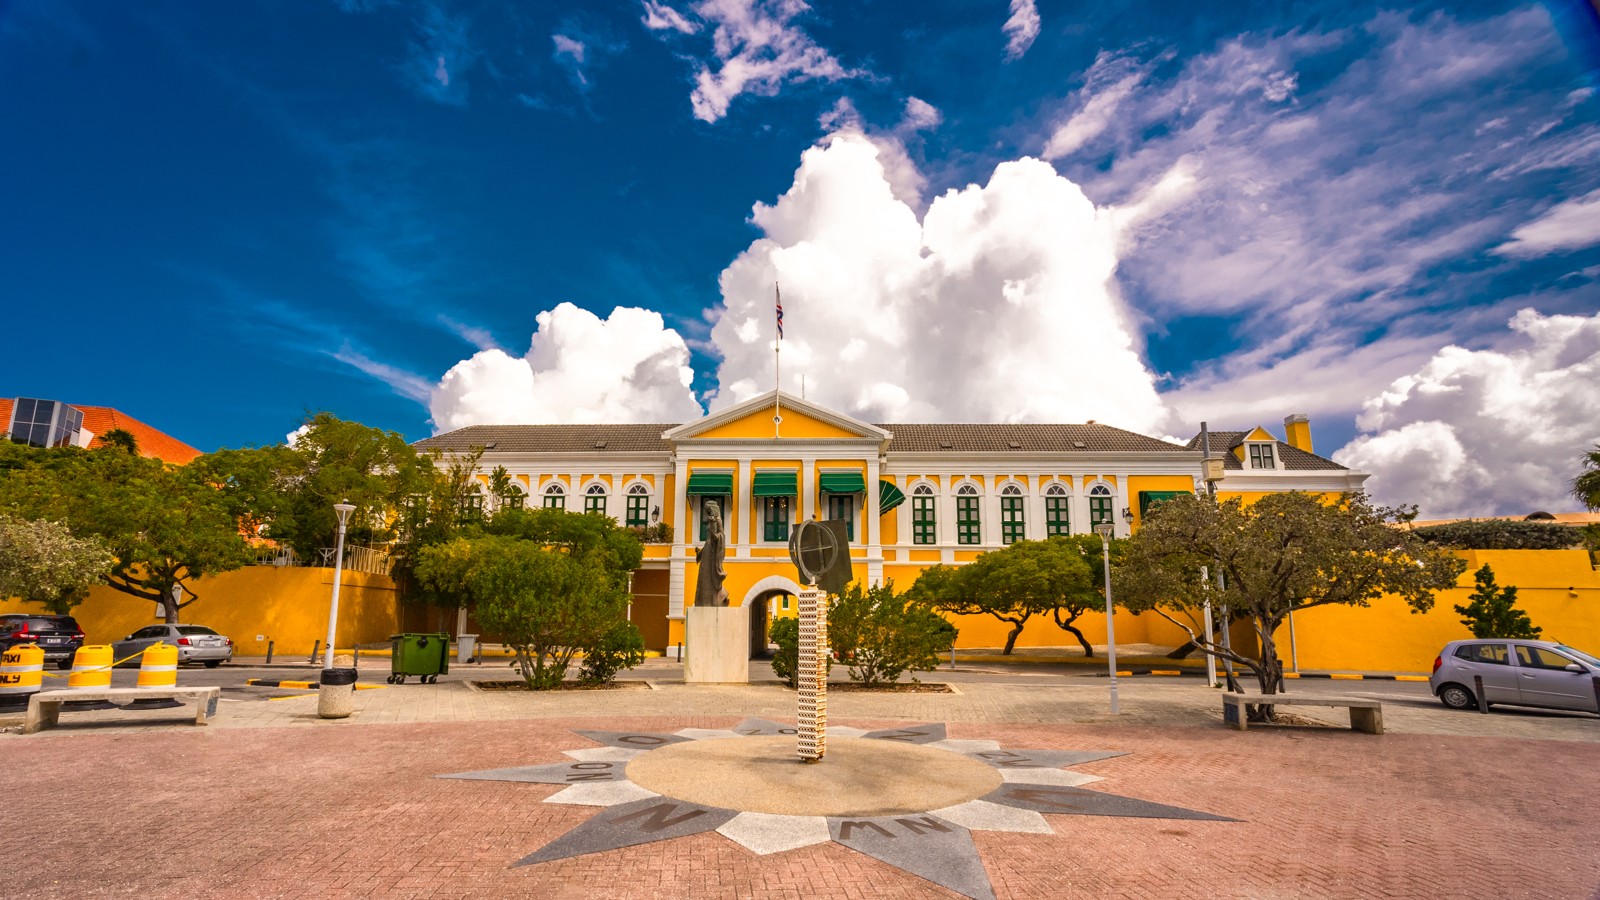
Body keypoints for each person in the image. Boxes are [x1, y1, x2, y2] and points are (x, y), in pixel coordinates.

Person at [694, 500, 729, 607]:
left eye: (708, 510)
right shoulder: (710, 521)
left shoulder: (718, 521)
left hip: (713, 551)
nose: (707, 513)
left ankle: (713, 600)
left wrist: (715, 536)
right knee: (704, 576)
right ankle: (704, 601)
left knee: (710, 575)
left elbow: (721, 535)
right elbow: (708, 540)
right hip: (707, 550)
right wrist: (699, 553)